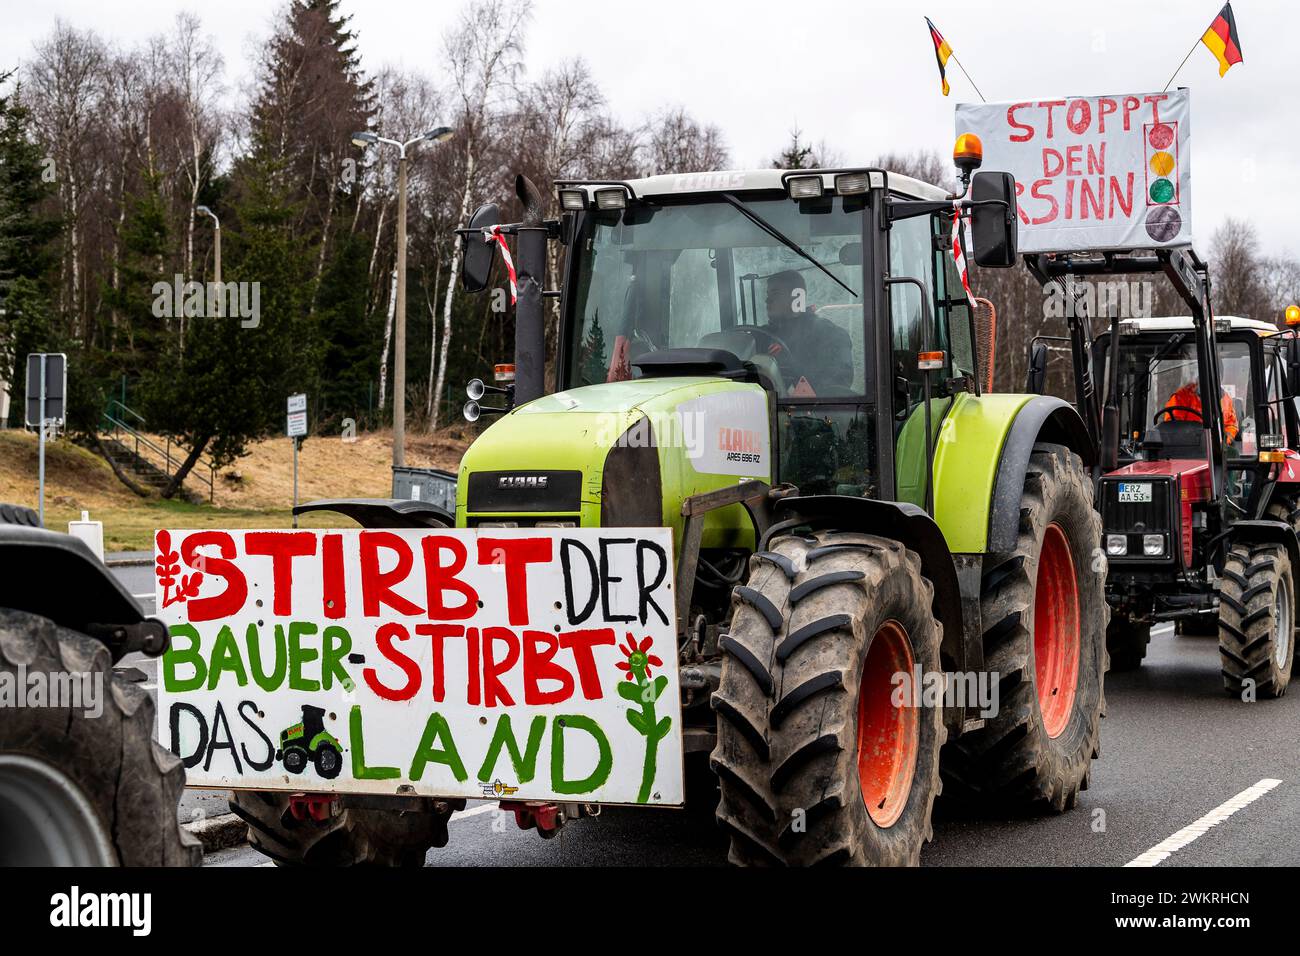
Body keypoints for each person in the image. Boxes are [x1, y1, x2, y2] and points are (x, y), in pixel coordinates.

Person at [762, 270, 853, 392]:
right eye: (768, 295)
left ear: (797, 297)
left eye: (775, 294)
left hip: (811, 408)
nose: (767, 301)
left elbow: (837, 385)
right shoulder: (761, 336)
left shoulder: (829, 335)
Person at [1164, 379, 1238, 442]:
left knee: (1233, 453)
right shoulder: (1181, 397)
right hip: (1187, 446)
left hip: (1216, 448)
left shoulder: (1225, 399)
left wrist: (1223, 441)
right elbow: (1172, 427)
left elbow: (1231, 426)